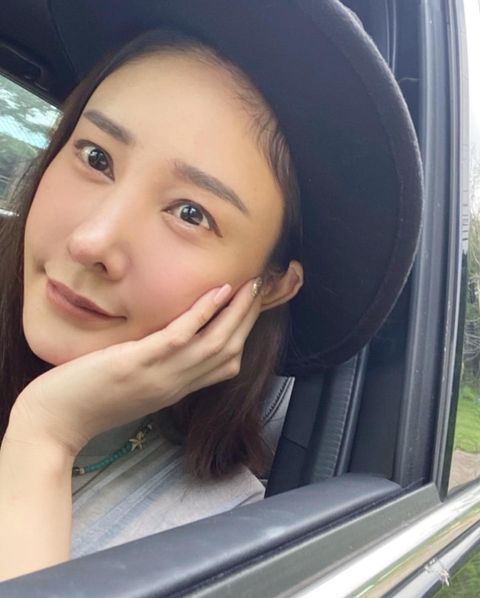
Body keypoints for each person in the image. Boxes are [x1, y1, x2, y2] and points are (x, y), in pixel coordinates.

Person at [0, 0, 423, 582]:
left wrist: (46, 434)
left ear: (269, 287)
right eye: (97, 157)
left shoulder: (221, 532)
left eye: (191, 213)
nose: (91, 241)